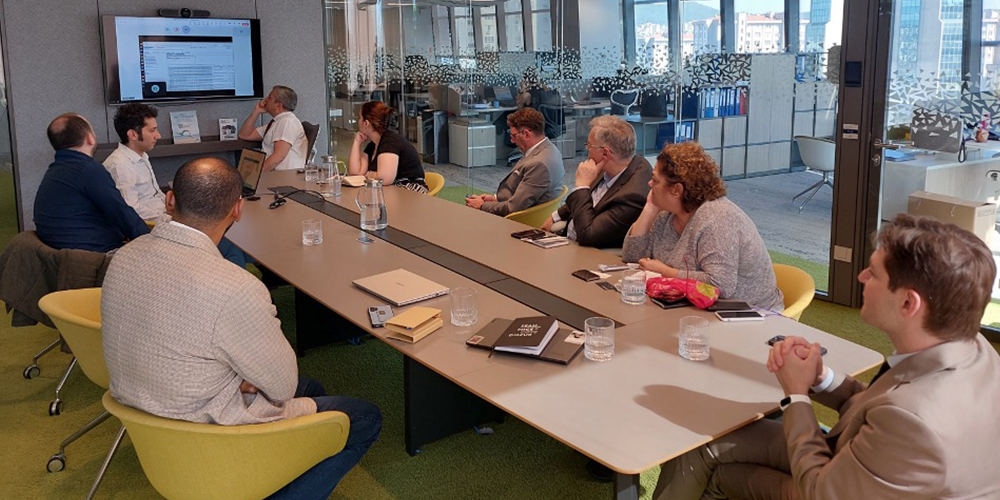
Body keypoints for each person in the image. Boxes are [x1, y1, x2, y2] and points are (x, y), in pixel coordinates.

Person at [654, 213, 1000, 500]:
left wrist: (797, 396)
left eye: (874, 273)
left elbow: (821, 491)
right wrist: (822, 378)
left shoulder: (916, 420)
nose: (862, 276)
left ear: (909, 303)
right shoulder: (972, 351)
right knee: (705, 445)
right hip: (864, 462)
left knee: (718, 472)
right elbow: (880, 407)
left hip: (833, 486)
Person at [101, 157, 381, 499]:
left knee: (312, 388)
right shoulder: (234, 286)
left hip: (145, 408)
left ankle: (287, 457)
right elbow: (280, 387)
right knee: (365, 417)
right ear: (238, 210)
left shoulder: (124, 256)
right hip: (205, 426)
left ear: (170, 199)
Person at [622, 142, 782, 310]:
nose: (649, 184)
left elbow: (720, 285)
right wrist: (650, 207)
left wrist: (665, 271)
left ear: (676, 190)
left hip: (747, 313)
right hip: (694, 306)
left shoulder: (718, 218)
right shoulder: (667, 215)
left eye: (655, 180)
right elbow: (632, 256)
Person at [34, 113, 149, 253]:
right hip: (95, 256)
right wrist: (152, 243)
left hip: (63, 256)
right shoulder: (88, 170)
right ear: (89, 138)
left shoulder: (55, 172)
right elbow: (122, 213)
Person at [541, 115, 651, 248]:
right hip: (567, 241)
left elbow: (588, 236)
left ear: (605, 153)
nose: (587, 149)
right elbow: (578, 201)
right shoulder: (609, 166)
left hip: (589, 253)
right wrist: (556, 216)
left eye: (589, 145)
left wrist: (582, 186)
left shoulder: (633, 196)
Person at [466, 108, 565, 216]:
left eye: (514, 136)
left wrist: (482, 206)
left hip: (520, 220)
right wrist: (495, 198)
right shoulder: (549, 148)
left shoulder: (539, 164)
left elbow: (513, 208)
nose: (512, 141)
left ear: (526, 134)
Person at [347, 101, 428, 193]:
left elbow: (384, 179)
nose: (358, 121)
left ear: (366, 123)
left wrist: (368, 174)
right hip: (391, 190)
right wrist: (357, 142)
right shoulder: (373, 144)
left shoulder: (390, 142)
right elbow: (355, 174)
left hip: (411, 191)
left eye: (359, 118)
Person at [102, 103, 166, 221]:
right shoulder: (120, 165)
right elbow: (132, 210)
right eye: (152, 131)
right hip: (150, 225)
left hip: (161, 214)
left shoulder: (142, 155)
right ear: (133, 134)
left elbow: (156, 194)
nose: (158, 136)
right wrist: (169, 219)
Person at [238, 85, 309, 172]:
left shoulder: (287, 122)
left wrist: (255, 175)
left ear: (278, 106)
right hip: (273, 175)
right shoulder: (277, 122)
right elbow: (245, 135)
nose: (266, 100)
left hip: (281, 178)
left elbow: (278, 157)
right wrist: (256, 111)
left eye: (270, 97)